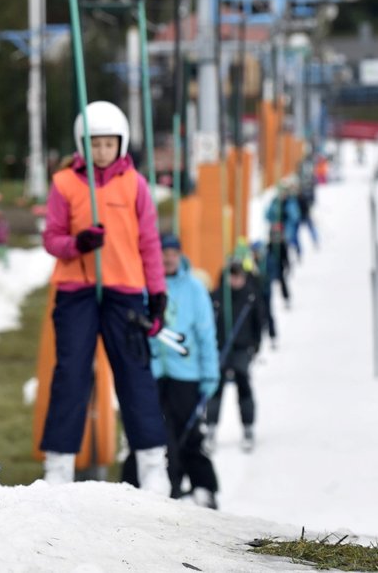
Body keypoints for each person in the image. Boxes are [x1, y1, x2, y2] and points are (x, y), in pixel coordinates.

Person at [40, 100, 170, 492]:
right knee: (72, 374)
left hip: (124, 291)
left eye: (108, 144)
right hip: (77, 291)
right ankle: (59, 464)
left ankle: (152, 463)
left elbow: (149, 243)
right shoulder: (65, 183)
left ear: (122, 143)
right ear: (82, 144)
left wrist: (157, 293)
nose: (101, 152)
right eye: (94, 144)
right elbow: (51, 239)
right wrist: (77, 243)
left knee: (135, 375)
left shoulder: (135, 185)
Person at [149, 234, 220, 509]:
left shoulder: (194, 289)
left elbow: (205, 334)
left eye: (172, 253)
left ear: (179, 256)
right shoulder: (148, 284)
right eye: (162, 253)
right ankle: (163, 486)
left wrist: (209, 374)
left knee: (188, 433)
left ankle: (205, 488)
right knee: (154, 435)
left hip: (186, 375)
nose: (167, 258)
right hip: (155, 373)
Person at [205, 261, 265, 453]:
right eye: (232, 275)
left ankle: (248, 427)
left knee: (243, 386)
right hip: (220, 348)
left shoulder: (250, 296)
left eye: (239, 276)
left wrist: (255, 345)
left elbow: (259, 321)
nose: (235, 280)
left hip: (241, 349)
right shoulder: (217, 297)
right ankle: (211, 427)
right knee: (216, 389)